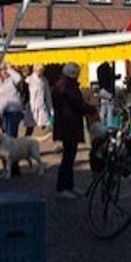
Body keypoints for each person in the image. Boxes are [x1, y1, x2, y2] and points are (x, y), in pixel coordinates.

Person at [51, 62, 97, 199]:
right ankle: (62, 187)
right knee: (68, 158)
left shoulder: (61, 84)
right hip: (69, 126)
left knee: (70, 157)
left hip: (67, 125)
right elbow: (78, 104)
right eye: (77, 73)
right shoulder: (67, 86)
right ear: (72, 74)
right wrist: (91, 108)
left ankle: (69, 185)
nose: (78, 76)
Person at [27, 64, 53, 132]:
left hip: (42, 107)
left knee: (44, 127)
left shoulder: (44, 80)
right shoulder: (29, 80)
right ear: (34, 70)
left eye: (41, 70)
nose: (39, 72)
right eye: (38, 70)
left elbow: (48, 96)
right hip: (31, 108)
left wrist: (51, 109)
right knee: (30, 128)